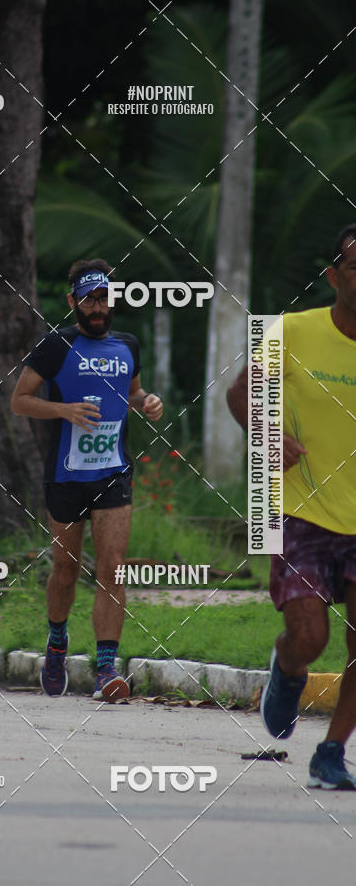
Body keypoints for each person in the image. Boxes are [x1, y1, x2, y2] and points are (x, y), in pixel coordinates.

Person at [227, 225, 356, 789]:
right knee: (311, 636)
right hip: (298, 508)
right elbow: (240, 394)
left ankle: (331, 751)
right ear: (333, 276)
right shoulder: (295, 332)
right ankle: (289, 665)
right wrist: (267, 433)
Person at [10, 258, 163, 701]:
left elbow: (132, 392)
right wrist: (64, 410)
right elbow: (20, 401)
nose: (97, 308)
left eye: (103, 298)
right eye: (89, 300)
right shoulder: (56, 346)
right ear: (73, 301)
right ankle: (57, 643)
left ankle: (104, 669)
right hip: (65, 476)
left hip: (113, 472)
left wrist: (146, 401)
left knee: (112, 568)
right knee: (66, 569)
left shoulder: (129, 345)